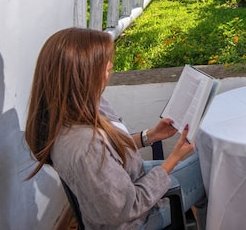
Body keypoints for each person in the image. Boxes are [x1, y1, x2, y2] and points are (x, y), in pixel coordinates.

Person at [25, 27, 205, 229]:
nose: (110, 66)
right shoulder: (85, 146)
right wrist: (173, 159)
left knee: (206, 163)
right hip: (137, 220)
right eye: (104, 65)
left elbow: (110, 151)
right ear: (82, 74)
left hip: (129, 180)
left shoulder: (79, 108)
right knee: (209, 173)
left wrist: (150, 136)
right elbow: (127, 208)